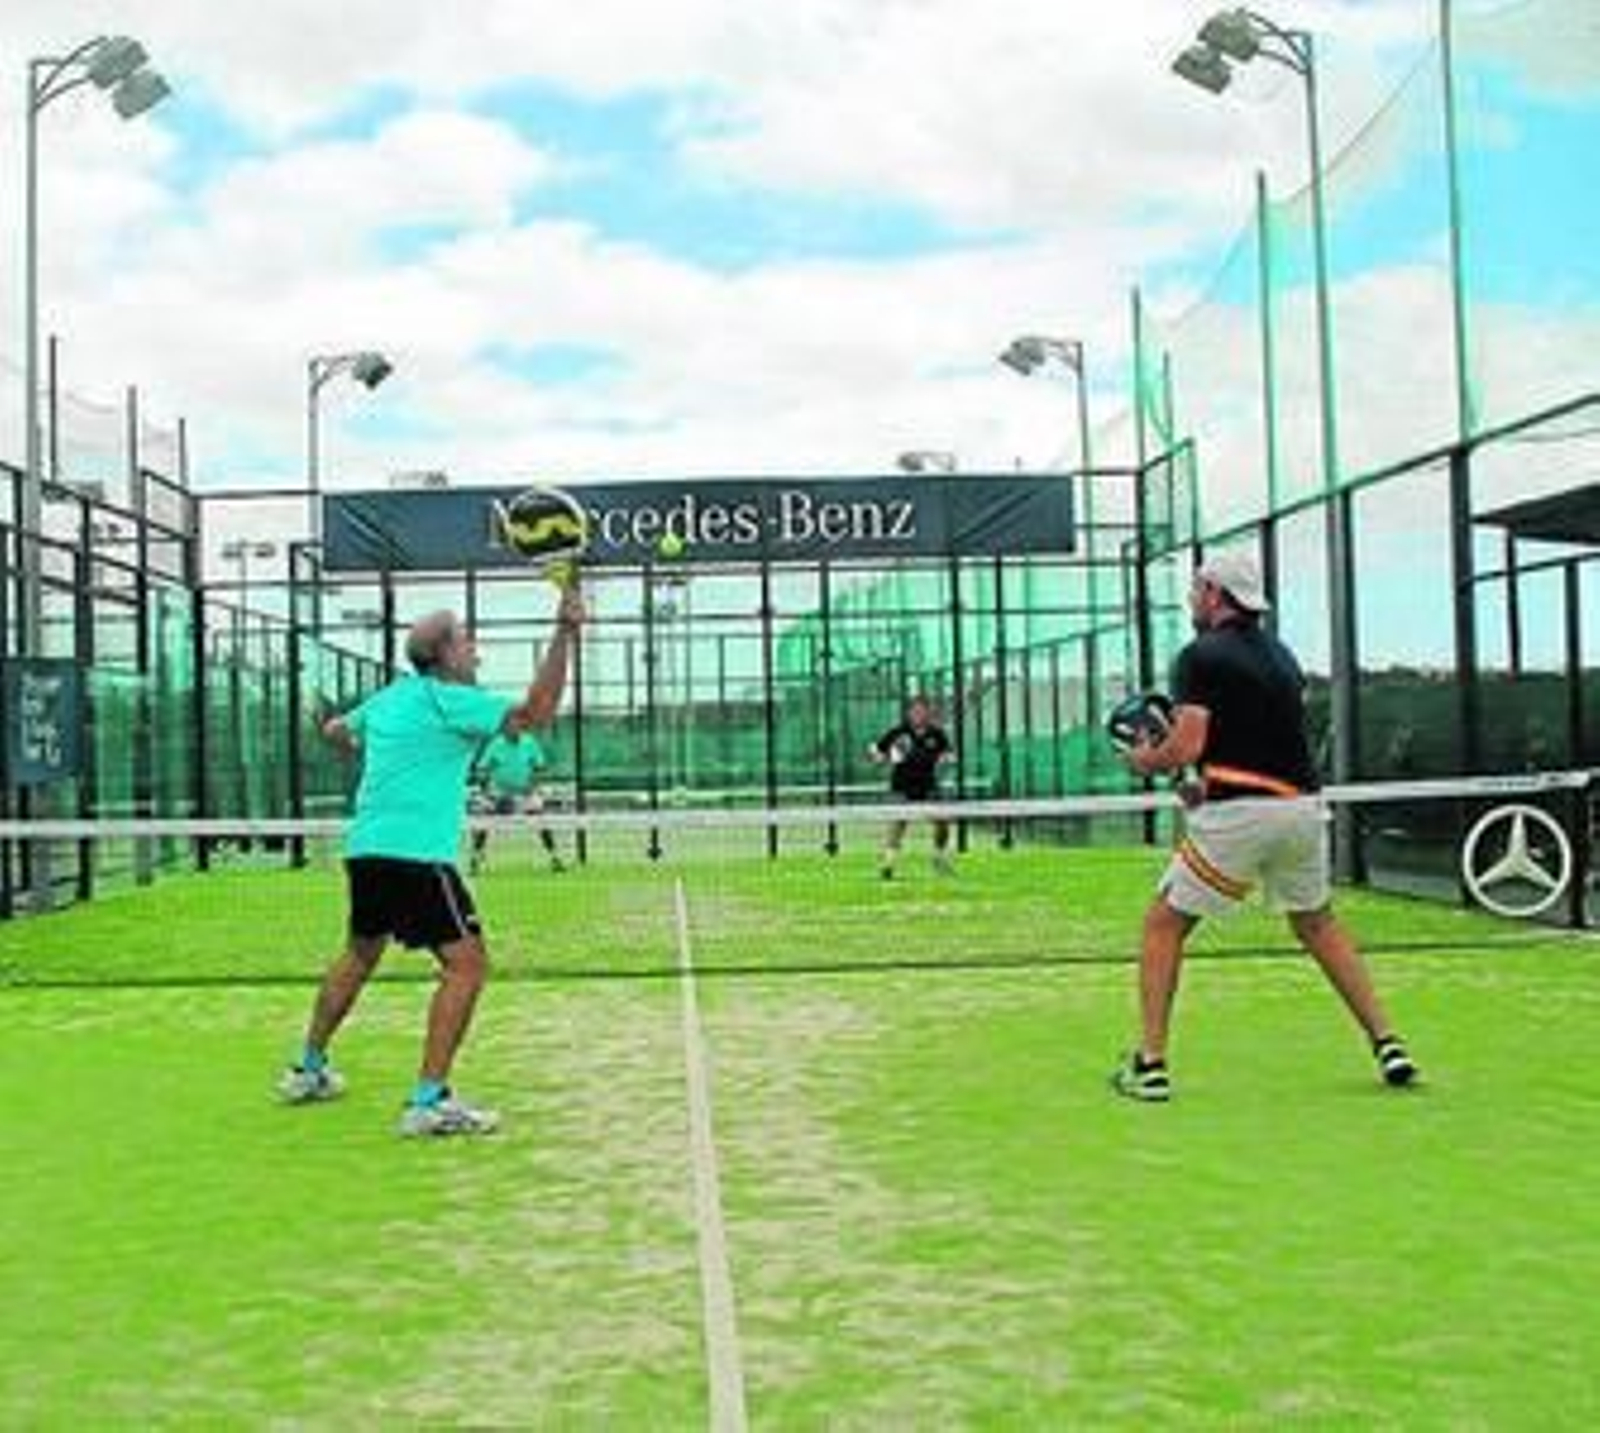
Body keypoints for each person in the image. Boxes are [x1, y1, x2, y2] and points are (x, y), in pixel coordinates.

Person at [1111, 549, 1418, 1102]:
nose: (1190, 599)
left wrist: (1144, 760)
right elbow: (1258, 749)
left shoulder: (1198, 657)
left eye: (1196, 589)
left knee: (1163, 926)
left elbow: (1187, 744)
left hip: (1243, 818)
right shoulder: (1282, 658)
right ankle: (1387, 1041)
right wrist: (1203, 785)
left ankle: (1150, 1064)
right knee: (1318, 924)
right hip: (1301, 810)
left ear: (1214, 594)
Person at [276, 588, 585, 1136]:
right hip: (417, 856)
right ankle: (429, 1101)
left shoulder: (390, 699)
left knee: (358, 955)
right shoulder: (450, 699)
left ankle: (309, 1069)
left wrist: (370, 744)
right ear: (444, 655)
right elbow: (536, 714)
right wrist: (565, 633)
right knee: (467, 966)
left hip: (366, 850)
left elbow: (336, 732)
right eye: (467, 642)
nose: (477, 652)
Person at [868, 694, 956, 879]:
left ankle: (938, 859)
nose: (918, 714)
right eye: (915, 710)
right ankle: (888, 865)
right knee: (898, 824)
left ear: (928, 713)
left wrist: (946, 759)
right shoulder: (898, 732)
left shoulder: (937, 734)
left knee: (943, 823)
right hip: (902, 786)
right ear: (909, 712)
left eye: (923, 710)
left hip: (928, 786)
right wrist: (878, 756)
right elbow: (876, 750)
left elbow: (949, 753)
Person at [468, 729, 567, 875]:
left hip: (525, 793)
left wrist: (531, 787)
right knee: (483, 819)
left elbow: (539, 768)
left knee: (540, 819)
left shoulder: (530, 742)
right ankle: (475, 859)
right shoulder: (495, 745)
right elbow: (482, 771)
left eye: (518, 723)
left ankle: (555, 858)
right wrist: (490, 790)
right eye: (511, 723)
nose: (515, 727)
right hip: (498, 793)